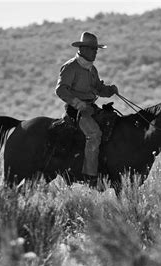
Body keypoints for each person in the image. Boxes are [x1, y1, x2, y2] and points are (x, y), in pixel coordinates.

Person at [55, 31, 119, 185]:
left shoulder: (92, 69)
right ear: (82, 49)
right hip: (75, 110)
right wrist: (80, 105)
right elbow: (61, 90)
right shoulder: (71, 67)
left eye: (96, 49)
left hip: (90, 108)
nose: (95, 52)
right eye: (92, 49)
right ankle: (91, 177)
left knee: (113, 124)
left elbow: (98, 88)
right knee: (94, 134)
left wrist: (110, 90)